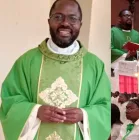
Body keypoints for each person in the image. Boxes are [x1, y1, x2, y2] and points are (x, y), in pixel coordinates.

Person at [0, 0, 111, 140]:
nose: (65, 23)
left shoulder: (94, 65)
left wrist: (84, 114)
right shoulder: (27, 61)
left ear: (80, 24)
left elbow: (105, 107)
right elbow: (10, 101)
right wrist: (36, 111)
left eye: (73, 18)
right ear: (49, 21)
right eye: (58, 17)